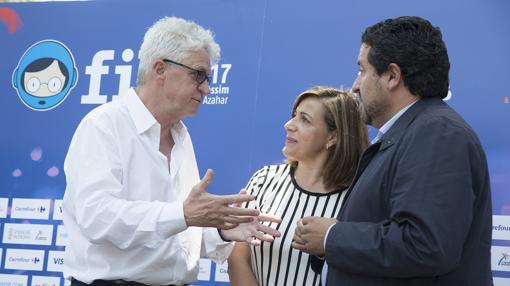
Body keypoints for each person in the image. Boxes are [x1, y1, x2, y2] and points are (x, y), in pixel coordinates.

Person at [62, 16, 280, 286]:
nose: (207, 88)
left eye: (208, 78)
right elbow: (97, 219)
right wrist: (184, 214)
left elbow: (171, 236)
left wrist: (220, 232)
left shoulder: (181, 136)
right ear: (160, 70)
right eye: (198, 74)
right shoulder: (103, 126)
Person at [292, 16, 493, 286]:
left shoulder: (437, 134)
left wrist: (332, 237)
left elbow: (425, 244)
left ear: (392, 76)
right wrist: (327, 247)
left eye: (362, 71)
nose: (355, 85)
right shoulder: (412, 133)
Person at [228, 86, 368, 286]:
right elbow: (238, 257)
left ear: (332, 137)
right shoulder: (264, 179)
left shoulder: (358, 195)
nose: (289, 125)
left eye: (305, 120)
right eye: (294, 116)